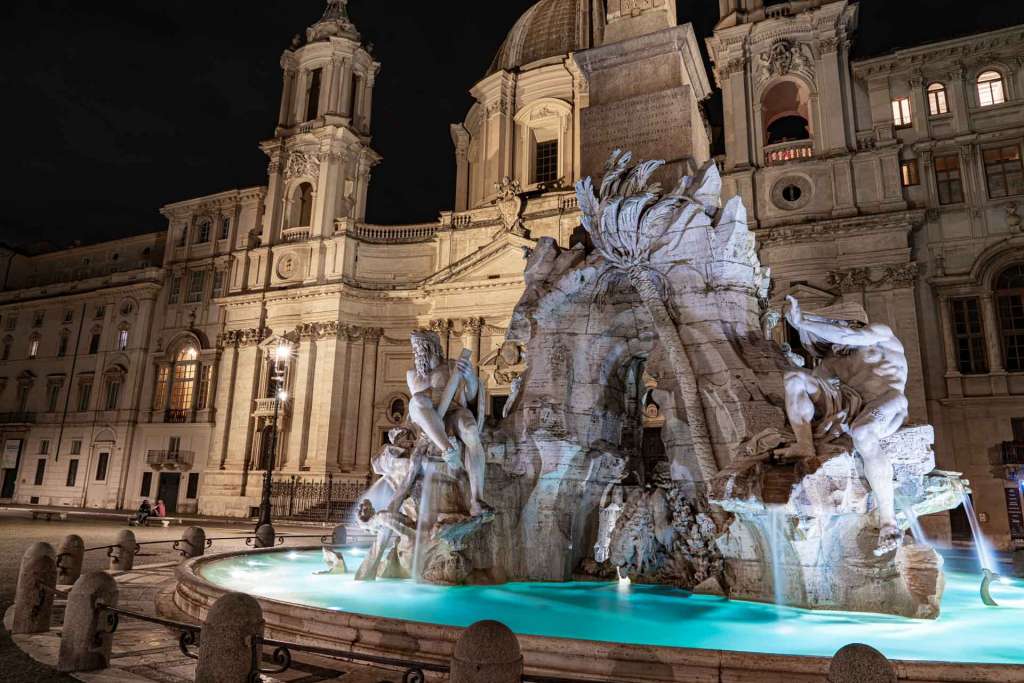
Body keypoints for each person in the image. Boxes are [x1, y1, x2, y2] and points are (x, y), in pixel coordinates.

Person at [781, 295, 909, 556]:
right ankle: (804, 444)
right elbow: (818, 390)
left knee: (863, 432)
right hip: (852, 406)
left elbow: (849, 337)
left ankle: (888, 521)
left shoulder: (879, 334)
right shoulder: (831, 363)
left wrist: (802, 321)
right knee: (794, 378)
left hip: (888, 401)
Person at [406, 329, 490, 516]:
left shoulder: (452, 366)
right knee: (418, 401)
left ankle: (477, 498)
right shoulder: (413, 375)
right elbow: (419, 407)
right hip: (429, 419)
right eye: (415, 349)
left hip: (453, 412)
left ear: (433, 348)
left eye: (420, 348)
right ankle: (448, 450)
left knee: (470, 429)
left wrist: (470, 378)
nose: (417, 352)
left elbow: (471, 395)